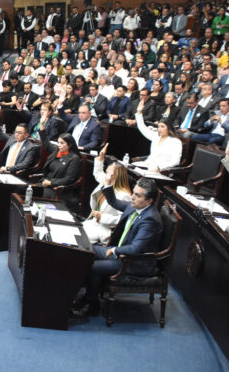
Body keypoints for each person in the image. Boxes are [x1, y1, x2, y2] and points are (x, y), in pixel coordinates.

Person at [72, 178, 162, 317]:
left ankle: (92, 306)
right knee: (84, 251)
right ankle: (78, 295)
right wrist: (108, 183)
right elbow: (114, 202)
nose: (132, 197)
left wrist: (114, 250)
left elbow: (135, 249)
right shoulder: (136, 205)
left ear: (149, 201)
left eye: (138, 195)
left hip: (134, 262)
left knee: (92, 267)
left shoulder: (150, 219)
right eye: (133, 193)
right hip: (121, 253)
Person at [82, 144, 133, 244]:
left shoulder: (124, 195)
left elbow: (123, 220)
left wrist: (103, 217)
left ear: (116, 176)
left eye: (109, 173)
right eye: (106, 172)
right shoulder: (106, 182)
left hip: (103, 230)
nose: (106, 175)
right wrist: (101, 157)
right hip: (93, 223)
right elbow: (97, 173)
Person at [38, 133, 82, 211]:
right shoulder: (56, 152)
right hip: (45, 183)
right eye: (58, 142)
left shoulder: (74, 159)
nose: (59, 145)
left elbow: (69, 179)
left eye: (62, 143)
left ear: (70, 145)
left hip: (60, 189)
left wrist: (51, 182)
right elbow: (46, 143)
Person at [0, 109, 40, 176]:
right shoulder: (12, 139)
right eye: (15, 132)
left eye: (19, 133)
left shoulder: (30, 147)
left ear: (26, 135)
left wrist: (8, 168)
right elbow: (0, 133)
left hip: (16, 174)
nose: (16, 134)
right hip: (2, 171)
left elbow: (25, 164)